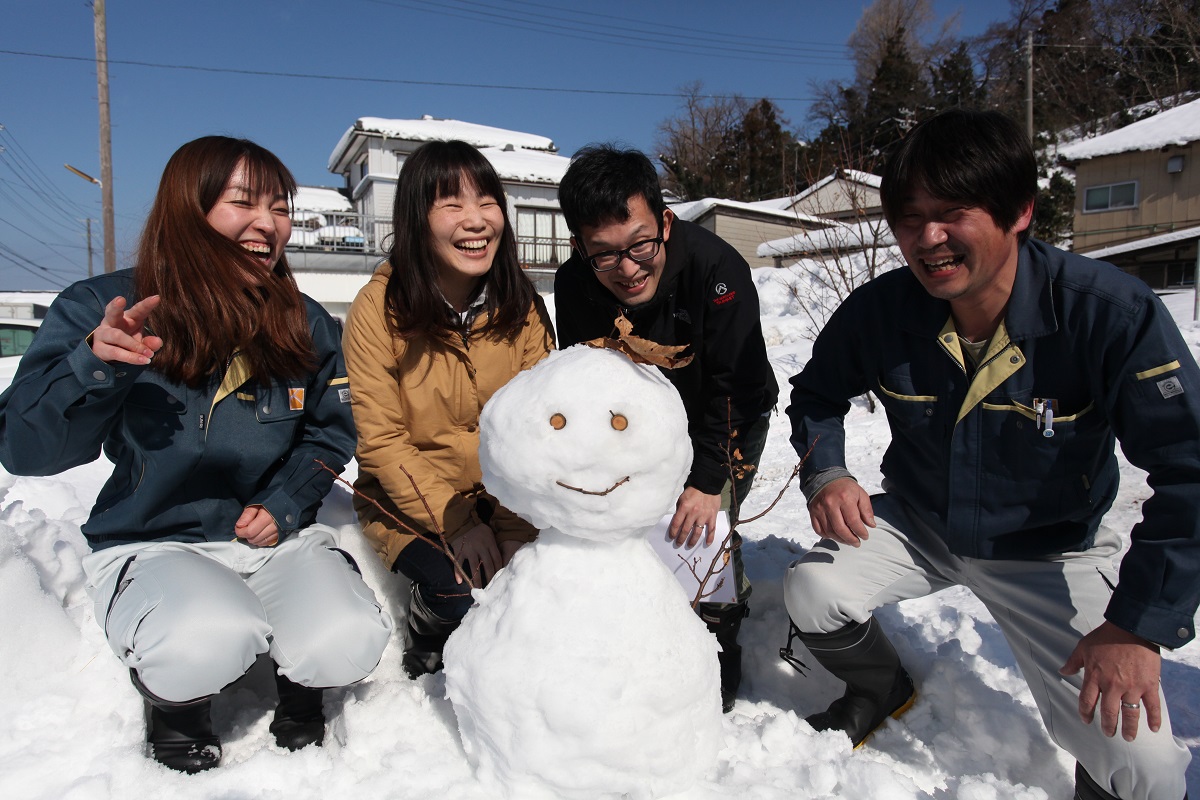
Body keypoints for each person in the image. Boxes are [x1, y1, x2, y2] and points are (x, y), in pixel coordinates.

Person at [783, 109, 1196, 800]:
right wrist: (828, 471)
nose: (928, 238)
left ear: (1020, 212)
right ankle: (883, 687)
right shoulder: (883, 311)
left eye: (952, 212)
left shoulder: (1106, 314)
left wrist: (1135, 626)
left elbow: (1191, 470)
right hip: (925, 524)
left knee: (1146, 771)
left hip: (1052, 550)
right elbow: (815, 395)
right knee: (811, 588)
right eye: (910, 217)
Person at [0, 136, 392, 773]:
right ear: (189, 208)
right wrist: (94, 367)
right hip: (154, 540)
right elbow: (26, 450)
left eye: (281, 207)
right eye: (243, 202)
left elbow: (330, 433)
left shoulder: (307, 322)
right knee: (208, 636)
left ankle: (300, 684)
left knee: (348, 638)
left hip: (272, 541)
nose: (268, 224)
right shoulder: (108, 307)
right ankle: (177, 704)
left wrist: (287, 499)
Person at [554, 144, 779, 713]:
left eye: (640, 245)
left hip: (726, 414)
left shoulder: (717, 269)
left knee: (700, 531)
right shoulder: (574, 285)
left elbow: (740, 387)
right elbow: (588, 380)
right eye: (604, 255)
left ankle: (721, 639)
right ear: (581, 248)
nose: (628, 269)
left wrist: (707, 481)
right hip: (640, 425)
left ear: (665, 221)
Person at [343, 140, 554, 679]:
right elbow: (383, 442)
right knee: (458, 586)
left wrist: (511, 527)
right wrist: (458, 523)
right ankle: (428, 626)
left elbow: (536, 428)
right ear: (418, 217)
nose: (476, 220)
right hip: (410, 501)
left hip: (507, 495)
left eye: (487, 202)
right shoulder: (379, 309)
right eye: (452, 205)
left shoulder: (521, 305)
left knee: (538, 578)